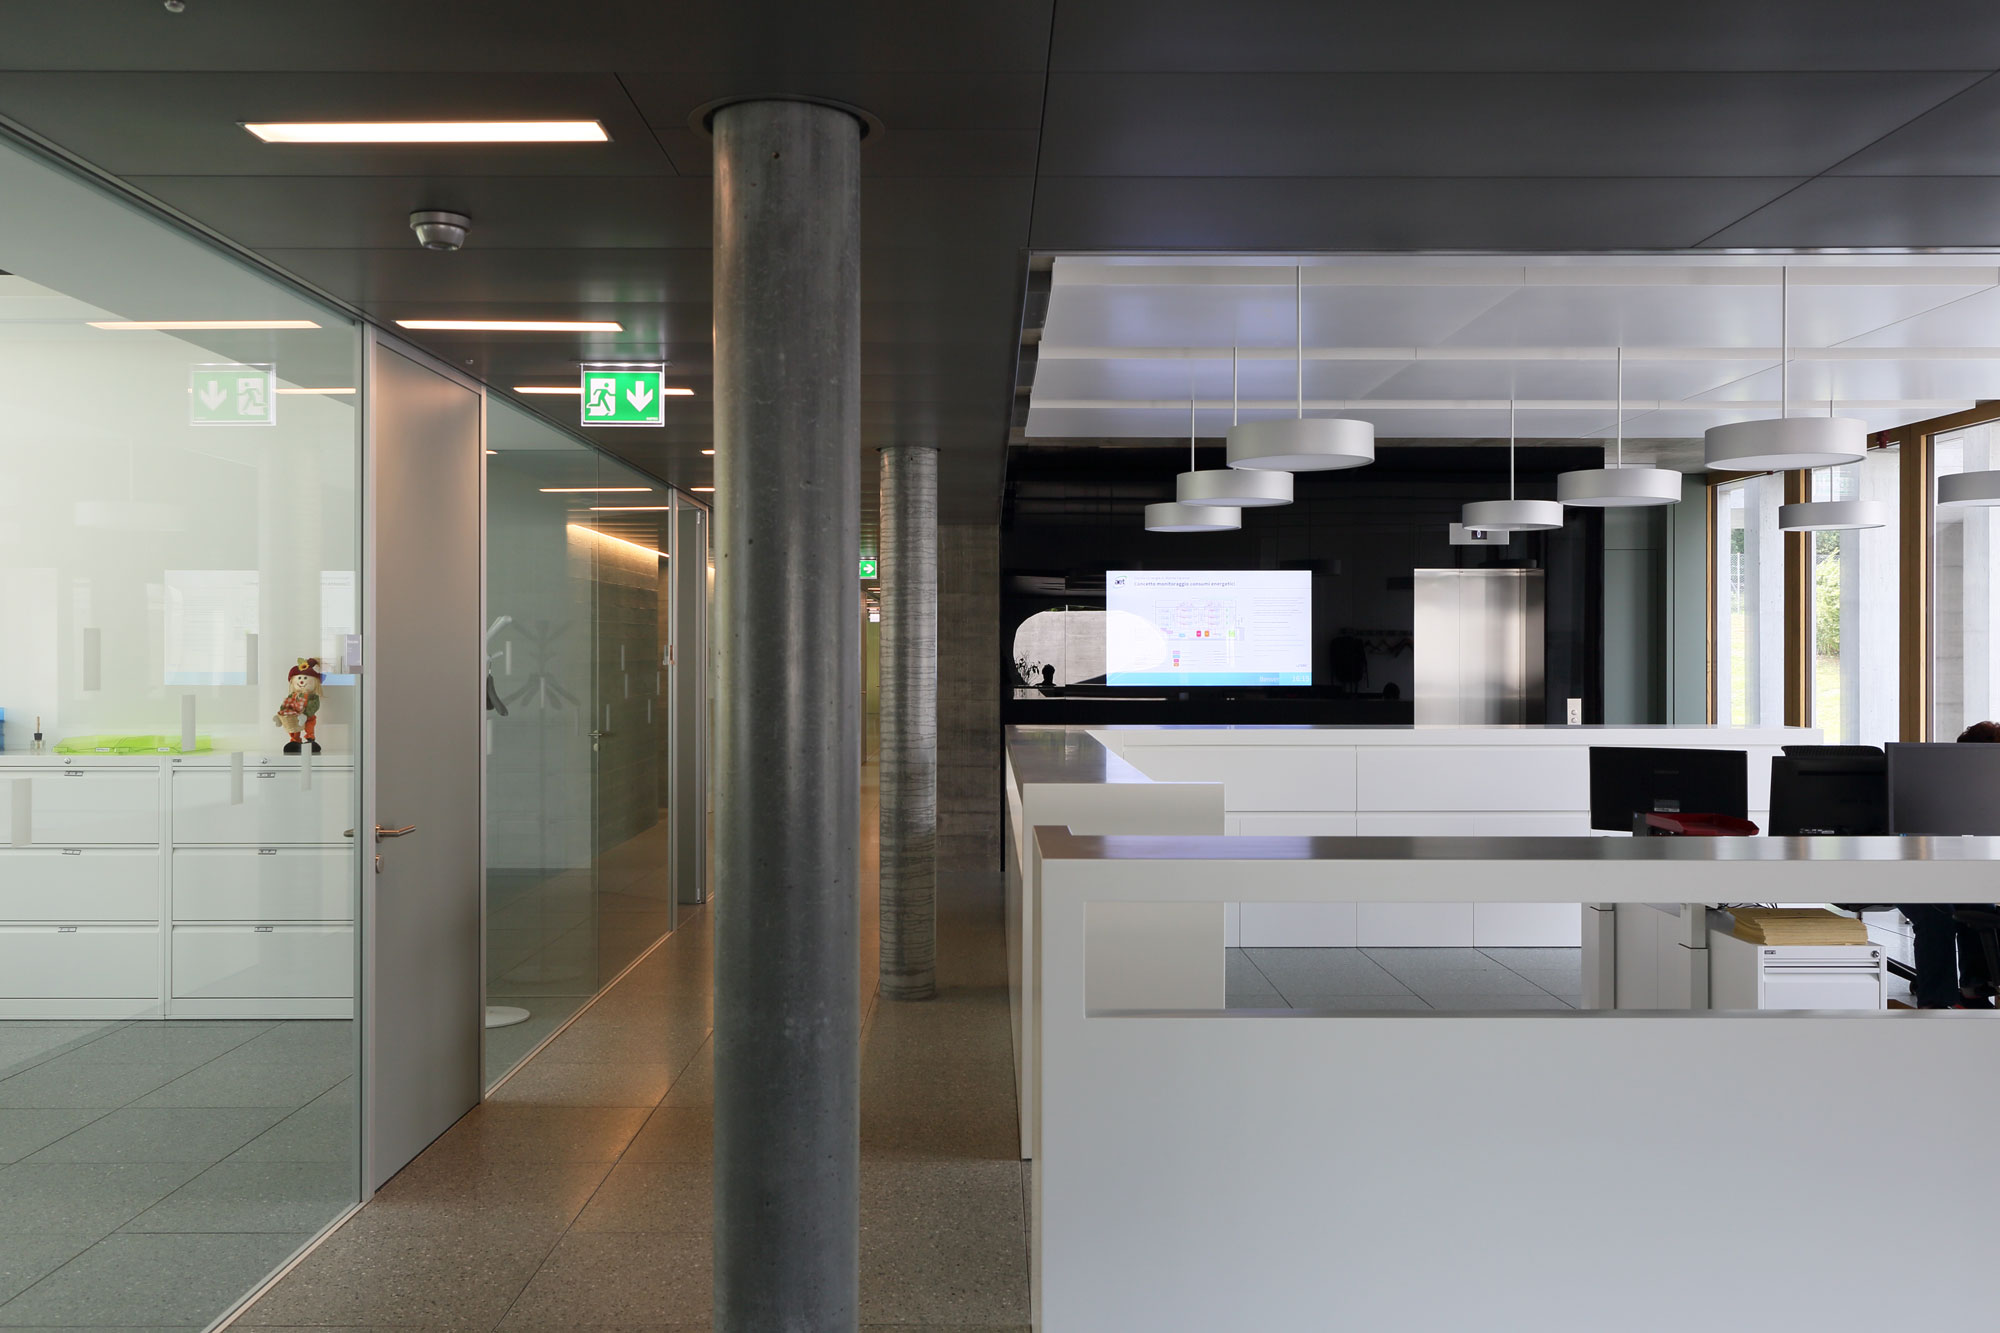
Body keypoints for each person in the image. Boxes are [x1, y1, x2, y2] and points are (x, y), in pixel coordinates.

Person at [1900, 721, 2000, 1008]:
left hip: (1954, 872)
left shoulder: (1984, 793)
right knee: (1938, 914)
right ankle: (1936, 1002)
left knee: (1980, 907)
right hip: (1905, 870)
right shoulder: (1928, 787)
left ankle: (1973, 990)